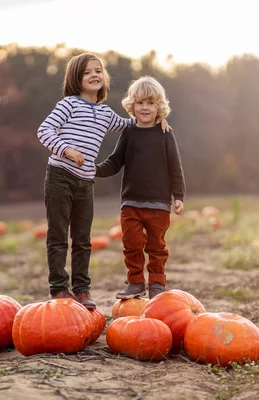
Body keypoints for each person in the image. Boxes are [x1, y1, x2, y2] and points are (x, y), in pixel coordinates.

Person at [37, 53, 169, 309]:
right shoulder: (68, 105)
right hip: (60, 177)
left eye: (98, 70)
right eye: (87, 72)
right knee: (58, 236)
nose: (94, 75)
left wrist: (156, 118)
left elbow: (133, 123)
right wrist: (66, 149)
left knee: (83, 239)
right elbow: (44, 131)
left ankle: (82, 290)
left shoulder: (105, 113)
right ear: (76, 78)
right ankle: (59, 289)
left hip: (85, 182)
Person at [95, 76, 185, 300]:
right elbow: (116, 161)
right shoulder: (129, 132)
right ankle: (135, 282)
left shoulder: (165, 134)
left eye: (151, 103)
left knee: (157, 247)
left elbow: (175, 166)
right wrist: (94, 169)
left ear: (159, 107)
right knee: (131, 244)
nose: (145, 108)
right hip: (131, 202)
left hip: (159, 203)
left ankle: (156, 283)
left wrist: (178, 195)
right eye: (140, 103)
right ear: (132, 106)